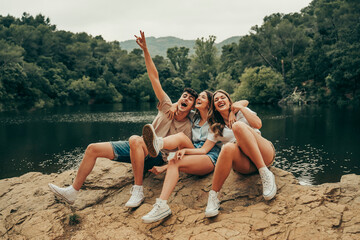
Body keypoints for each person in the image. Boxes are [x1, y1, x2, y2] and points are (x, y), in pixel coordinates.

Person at [48, 30, 198, 208]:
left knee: (136, 139)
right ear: (179, 99)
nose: (185, 99)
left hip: (157, 157)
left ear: (192, 107)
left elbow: (181, 154)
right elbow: (154, 76)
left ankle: (138, 190)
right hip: (140, 149)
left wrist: (165, 168)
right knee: (92, 149)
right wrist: (145, 50)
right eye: (184, 96)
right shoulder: (166, 105)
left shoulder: (188, 125)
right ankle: (72, 192)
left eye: (190, 99)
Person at [140, 91, 249, 223]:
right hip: (194, 149)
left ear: (209, 104)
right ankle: (162, 205)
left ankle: (158, 143)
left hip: (209, 155)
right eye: (198, 97)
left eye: (203, 97)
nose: (198, 99)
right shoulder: (194, 117)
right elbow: (183, 106)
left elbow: (243, 102)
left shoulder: (215, 118)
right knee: (176, 152)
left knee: (180, 139)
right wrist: (173, 105)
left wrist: (232, 111)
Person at [173, 90, 276, 217]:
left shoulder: (240, 113)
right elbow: (204, 150)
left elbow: (258, 124)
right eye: (216, 100)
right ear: (214, 107)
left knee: (238, 127)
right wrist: (185, 150)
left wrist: (240, 108)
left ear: (229, 100)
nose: (220, 100)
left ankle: (265, 173)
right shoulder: (216, 127)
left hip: (263, 154)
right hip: (246, 165)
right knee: (227, 147)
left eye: (223, 97)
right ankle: (214, 196)